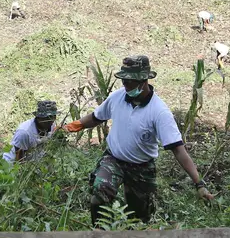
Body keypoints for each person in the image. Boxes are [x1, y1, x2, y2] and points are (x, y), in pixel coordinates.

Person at [63, 55, 214, 226]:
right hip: (114, 159)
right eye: (124, 80)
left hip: (141, 167)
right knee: (100, 189)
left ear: (143, 81)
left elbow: (178, 150)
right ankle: (101, 232)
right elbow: (96, 117)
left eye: (130, 81)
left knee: (139, 218)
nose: (125, 84)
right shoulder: (117, 97)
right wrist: (71, 127)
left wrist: (199, 183)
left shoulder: (159, 112)